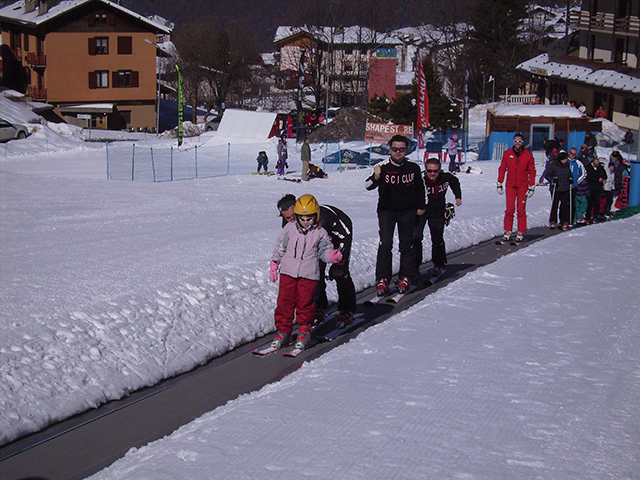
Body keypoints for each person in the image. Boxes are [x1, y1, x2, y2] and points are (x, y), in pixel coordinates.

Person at [270, 194, 343, 350]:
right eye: (302, 218)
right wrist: (275, 263)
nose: (305, 222)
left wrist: (331, 256)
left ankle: (304, 331)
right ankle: (283, 331)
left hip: (308, 275)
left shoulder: (320, 232)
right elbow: (281, 247)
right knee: (284, 303)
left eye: (309, 218)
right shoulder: (289, 228)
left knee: (305, 304)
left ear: (316, 216)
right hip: (288, 272)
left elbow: (323, 251)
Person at [277, 194, 357, 328]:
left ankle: (347, 308)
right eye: (287, 218)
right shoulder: (290, 222)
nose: (291, 221)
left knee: (340, 272)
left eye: (293, 217)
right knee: (313, 271)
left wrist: (340, 261)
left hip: (339, 235)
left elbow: (345, 235)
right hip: (316, 240)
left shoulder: (324, 217)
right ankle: (319, 305)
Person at [365, 134, 426, 296]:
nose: (398, 152)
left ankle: (405, 276)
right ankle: (383, 279)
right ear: (389, 149)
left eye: (401, 149)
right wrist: (376, 176)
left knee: (407, 245)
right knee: (385, 244)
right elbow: (367, 185)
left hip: (407, 211)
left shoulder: (413, 168)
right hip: (387, 211)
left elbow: (420, 188)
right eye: (394, 149)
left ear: (407, 150)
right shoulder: (382, 167)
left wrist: (421, 206)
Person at [413, 157, 462, 277]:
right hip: (422, 211)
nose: (432, 174)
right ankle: (414, 266)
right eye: (429, 171)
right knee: (416, 237)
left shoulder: (445, 178)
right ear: (425, 170)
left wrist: (458, 196)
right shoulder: (420, 180)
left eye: (435, 171)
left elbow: (455, 182)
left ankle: (439, 264)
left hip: (437, 211)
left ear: (440, 170)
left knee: (437, 238)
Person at [496, 133, 536, 243]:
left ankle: (521, 231)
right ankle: (508, 230)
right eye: (515, 141)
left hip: (523, 186)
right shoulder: (507, 153)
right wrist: (499, 183)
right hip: (510, 185)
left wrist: (532, 186)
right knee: (509, 209)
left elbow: (532, 171)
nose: (517, 143)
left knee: (521, 209)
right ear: (513, 142)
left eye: (519, 141)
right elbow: (502, 168)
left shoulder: (528, 155)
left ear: (523, 142)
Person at [544, 151, 573, 229]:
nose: (566, 160)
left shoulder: (567, 166)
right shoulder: (553, 165)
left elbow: (570, 174)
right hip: (556, 188)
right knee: (555, 205)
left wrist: (571, 179)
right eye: (565, 159)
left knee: (564, 205)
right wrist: (552, 180)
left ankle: (564, 220)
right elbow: (547, 175)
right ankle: (553, 220)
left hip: (565, 187)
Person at [567, 147, 587, 226]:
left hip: (574, 186)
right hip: (565, 186)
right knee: (566, 203)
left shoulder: (578, 163)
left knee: (573, 203)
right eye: (571, 153)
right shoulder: (566, 161)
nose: (572, 155)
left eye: (574, 154)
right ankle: (565, 219)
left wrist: (576, 181)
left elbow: (584, 173)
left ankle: (573, 219)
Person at [584, 157, 607, 223]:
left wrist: (603, 178)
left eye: (598, 164)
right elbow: (587, 177)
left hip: (597, 188)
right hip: (590, 187)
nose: (597, 165)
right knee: (589, 202)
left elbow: (604, 175)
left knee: (597, 202)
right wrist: (597, 179)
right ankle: (588, 216)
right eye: (596, 164)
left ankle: (595, 216)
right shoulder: (588, 167)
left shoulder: (600, 168)